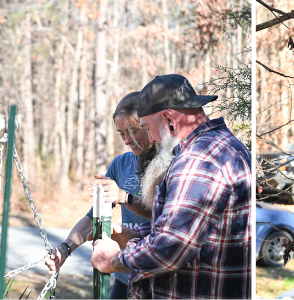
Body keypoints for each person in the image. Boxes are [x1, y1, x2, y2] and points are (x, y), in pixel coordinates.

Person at [90, 74, 252, 298]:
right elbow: (197, 228)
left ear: (169, 119)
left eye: (147, 128)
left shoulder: (196, 162)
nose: (151, 138)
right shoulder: (225, 145)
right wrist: (135, 234)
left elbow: (172, 246)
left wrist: (115, 260)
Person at [44, 92, 155, 298]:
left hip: (158, 274)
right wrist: (65, 249)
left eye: (133, 131)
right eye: (122, 133)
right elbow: (93, 216)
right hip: (125, 274)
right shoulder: (120, 164)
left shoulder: (170, 163)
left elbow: (168, 217)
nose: (127, 140)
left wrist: (125, 197)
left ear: (149, 125)